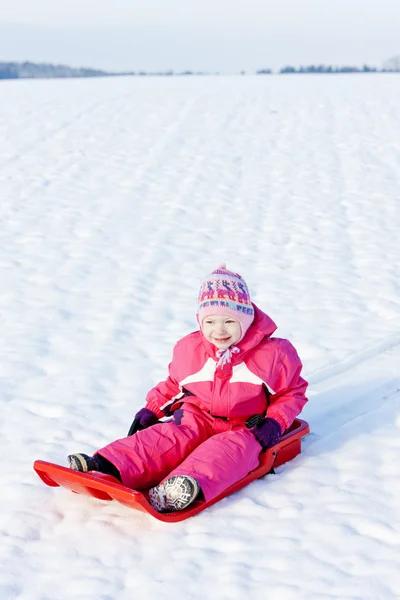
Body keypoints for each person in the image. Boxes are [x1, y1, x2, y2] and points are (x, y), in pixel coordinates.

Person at [68, 265, 308, 512]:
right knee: (163, 439)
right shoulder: (190, 350)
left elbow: (291, 393)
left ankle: (183, 487)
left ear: (245, 320)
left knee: (226, 453)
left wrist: (274, 422)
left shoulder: (273, 355)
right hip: (196, 417)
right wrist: (152, 409)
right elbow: (175, 384)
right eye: (210, 321)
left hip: (244, 426)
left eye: (229, 321)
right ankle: (107, 465)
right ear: (200, 321)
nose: (220, 330)